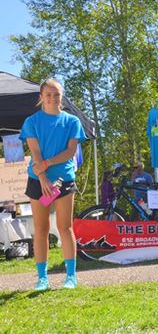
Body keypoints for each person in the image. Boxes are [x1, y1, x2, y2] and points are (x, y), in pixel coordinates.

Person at [19, 78, 87, 290]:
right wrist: (42, 178)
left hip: (64, 180)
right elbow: (35, 151)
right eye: (48, 94)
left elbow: (70, 152)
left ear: (61, 96)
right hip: (38, 180)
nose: (52, 98)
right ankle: (42, 278)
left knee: (65, 227)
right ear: (41, 98)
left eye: (56, 94)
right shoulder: (32, 121)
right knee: (41, 229)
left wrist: (48, 164)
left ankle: (70, 277)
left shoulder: (72, 122)